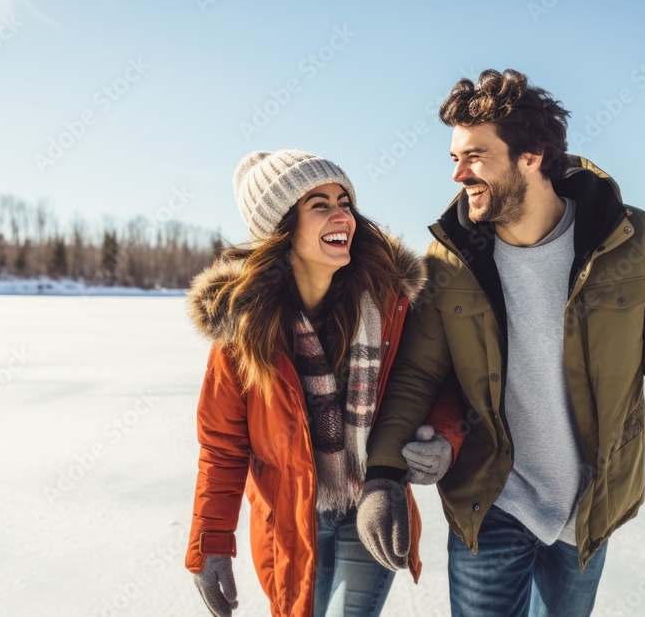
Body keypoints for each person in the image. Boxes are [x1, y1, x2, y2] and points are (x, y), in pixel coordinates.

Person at [355, 70, 645, 616]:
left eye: (476, 156)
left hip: (589, 502)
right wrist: (384, 474)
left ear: (532, 154)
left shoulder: (633, 241)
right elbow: (418, 373)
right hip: (491, 499)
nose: (458, 173)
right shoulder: (452, 259)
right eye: (455, 157)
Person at [184, 150, 466, 617]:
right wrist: (209, 543)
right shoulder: (244, 328)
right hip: (293, 516)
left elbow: (437, 384)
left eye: (345, 201)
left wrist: (445, 439)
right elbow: (222, 446)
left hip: (374, 501)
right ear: (282, 228)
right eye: (319, 204)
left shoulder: (390, 303)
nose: (342, 215)